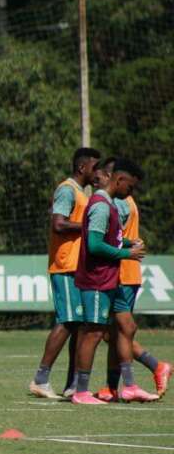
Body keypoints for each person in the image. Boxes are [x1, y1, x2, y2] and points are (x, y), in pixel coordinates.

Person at [69, 159, 147, 405]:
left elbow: (109, 238)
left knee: (126, 327)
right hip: (96, 279)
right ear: (119, 179)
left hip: (110, 280)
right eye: (130, 187)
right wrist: (127, 253)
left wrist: (129, 242)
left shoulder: (110, 204)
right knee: (93, 332)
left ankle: (129, 386)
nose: (130, 192)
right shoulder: (102, 206)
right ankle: (80, 391)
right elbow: (94, 245)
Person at [29, 148, 100, 399]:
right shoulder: (67, 190)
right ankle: (41, 379)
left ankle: (73, 384)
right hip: (65, 265)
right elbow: (58, 223)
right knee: (68, 320)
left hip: (78, 267)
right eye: (94, 167)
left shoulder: (82, 193)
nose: (97, 172)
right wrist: (89, 226)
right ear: (82, 167)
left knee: (79, 325)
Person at [92, 159, 164, 402]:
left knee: (116, 330)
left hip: (120, 272)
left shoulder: (118, 203)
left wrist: (127, 246)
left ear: (111, 176)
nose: (97, 182)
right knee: (115, 331)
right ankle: (113, 387)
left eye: (100, 177)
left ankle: (151, 369)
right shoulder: (120, 201)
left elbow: (106, 239)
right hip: (125, 271)